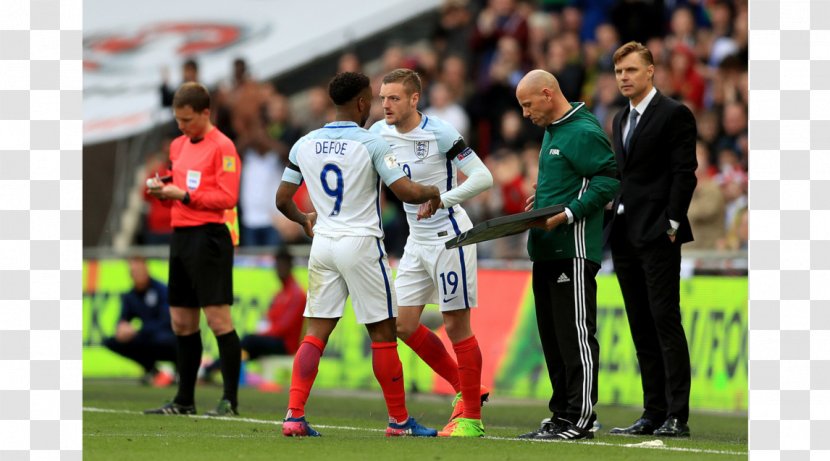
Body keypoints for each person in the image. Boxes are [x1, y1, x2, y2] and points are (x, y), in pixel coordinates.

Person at [275, 71, 441, 437]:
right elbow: (406, 191)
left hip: (323, 245)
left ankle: (293, 414)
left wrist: (305, 219)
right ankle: (399, 421)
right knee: (383, 333)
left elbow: (282, 200)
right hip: (361, 243)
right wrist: (434, 190)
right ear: (363, 103)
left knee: (315, 333)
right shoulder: (372, 144)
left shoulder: (304, 142)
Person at [369, 68, 494, 438]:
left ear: (413, 99)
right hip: (415, 240)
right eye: (382, 98)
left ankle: (471, 418)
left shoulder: (439, 132)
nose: (386, 105)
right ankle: (469, 387)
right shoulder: (378, 133)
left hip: (450, 236)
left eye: (393, 98)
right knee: (403, 325)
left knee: (456, 326)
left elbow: (483, 176)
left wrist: (443, 200)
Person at [514, 69, 619, 440]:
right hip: (545, 249)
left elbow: (609, 180)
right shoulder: (554, 130)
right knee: (554, 339)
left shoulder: (584, 131)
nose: (526, 114)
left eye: (528, 105)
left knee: (575, 335)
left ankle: (581, 418)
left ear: (547, 94)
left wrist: (569, 212)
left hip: (571, 249)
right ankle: (561, 414)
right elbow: (570, 181)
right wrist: (540, 202)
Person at [606, 41, 697, 437]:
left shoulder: (675, 114)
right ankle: (652, 412)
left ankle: (677, 415)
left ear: (650, 71)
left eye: (630, 70)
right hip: (625, 236)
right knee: (641, 325)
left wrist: (672, 224)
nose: (623, 77)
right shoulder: (618, 120)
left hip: (660, 235)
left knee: (664, 321)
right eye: (618, 71)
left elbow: (684, 173)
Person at [144, 82, 243, 417]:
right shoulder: (177, 145)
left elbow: (227, 198)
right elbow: (181, 177)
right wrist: (164, 186)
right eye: (177, 120)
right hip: (181, 236)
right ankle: (184, 399)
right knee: (181, 322)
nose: (181, 126)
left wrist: (183, 196)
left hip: (211, 237)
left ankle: (229, 400)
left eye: (187, 120)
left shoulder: (224, 148)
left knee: (218, 320)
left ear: (205, 113)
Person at [201, 247, 305, 384]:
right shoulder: (280, 294)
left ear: (290, 266)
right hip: (274, 340)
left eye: (282, 265)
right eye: (277, 265)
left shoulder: (297, 295)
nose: (279, 269)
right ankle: (216, 371)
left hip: (286, 344)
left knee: (249, 341)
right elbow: (269, 319)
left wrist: (262, 334)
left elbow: (283, 328)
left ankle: (209, 370)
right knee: (245, 348)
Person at [102, 256, 176, 386]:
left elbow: (166, 321)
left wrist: (137, 331)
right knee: (111, 341)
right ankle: (152, 370)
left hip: (168, 337)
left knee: (162, 339)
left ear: (146, 270)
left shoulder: (162, 290)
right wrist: (121, 327)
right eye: (133, 272)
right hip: (146, 338)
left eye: (139, 271)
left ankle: (178, 371)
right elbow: (123, 318)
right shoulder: (130, 296)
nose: (136, 275)